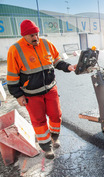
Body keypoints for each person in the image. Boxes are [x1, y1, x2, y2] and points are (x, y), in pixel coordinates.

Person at [6, 19, 77, 159]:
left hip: (51, 89)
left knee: (56, 115)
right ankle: (46, 147)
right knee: (39, 121)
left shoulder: (46, 43)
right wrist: (18, 95)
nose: (35, 38)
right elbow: (12, 76)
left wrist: (68, 67)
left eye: (36, 34)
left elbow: (56, 61)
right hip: (31, 95)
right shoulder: (15, 50)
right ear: (24, 36)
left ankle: (54, 137)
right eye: (31, 35)